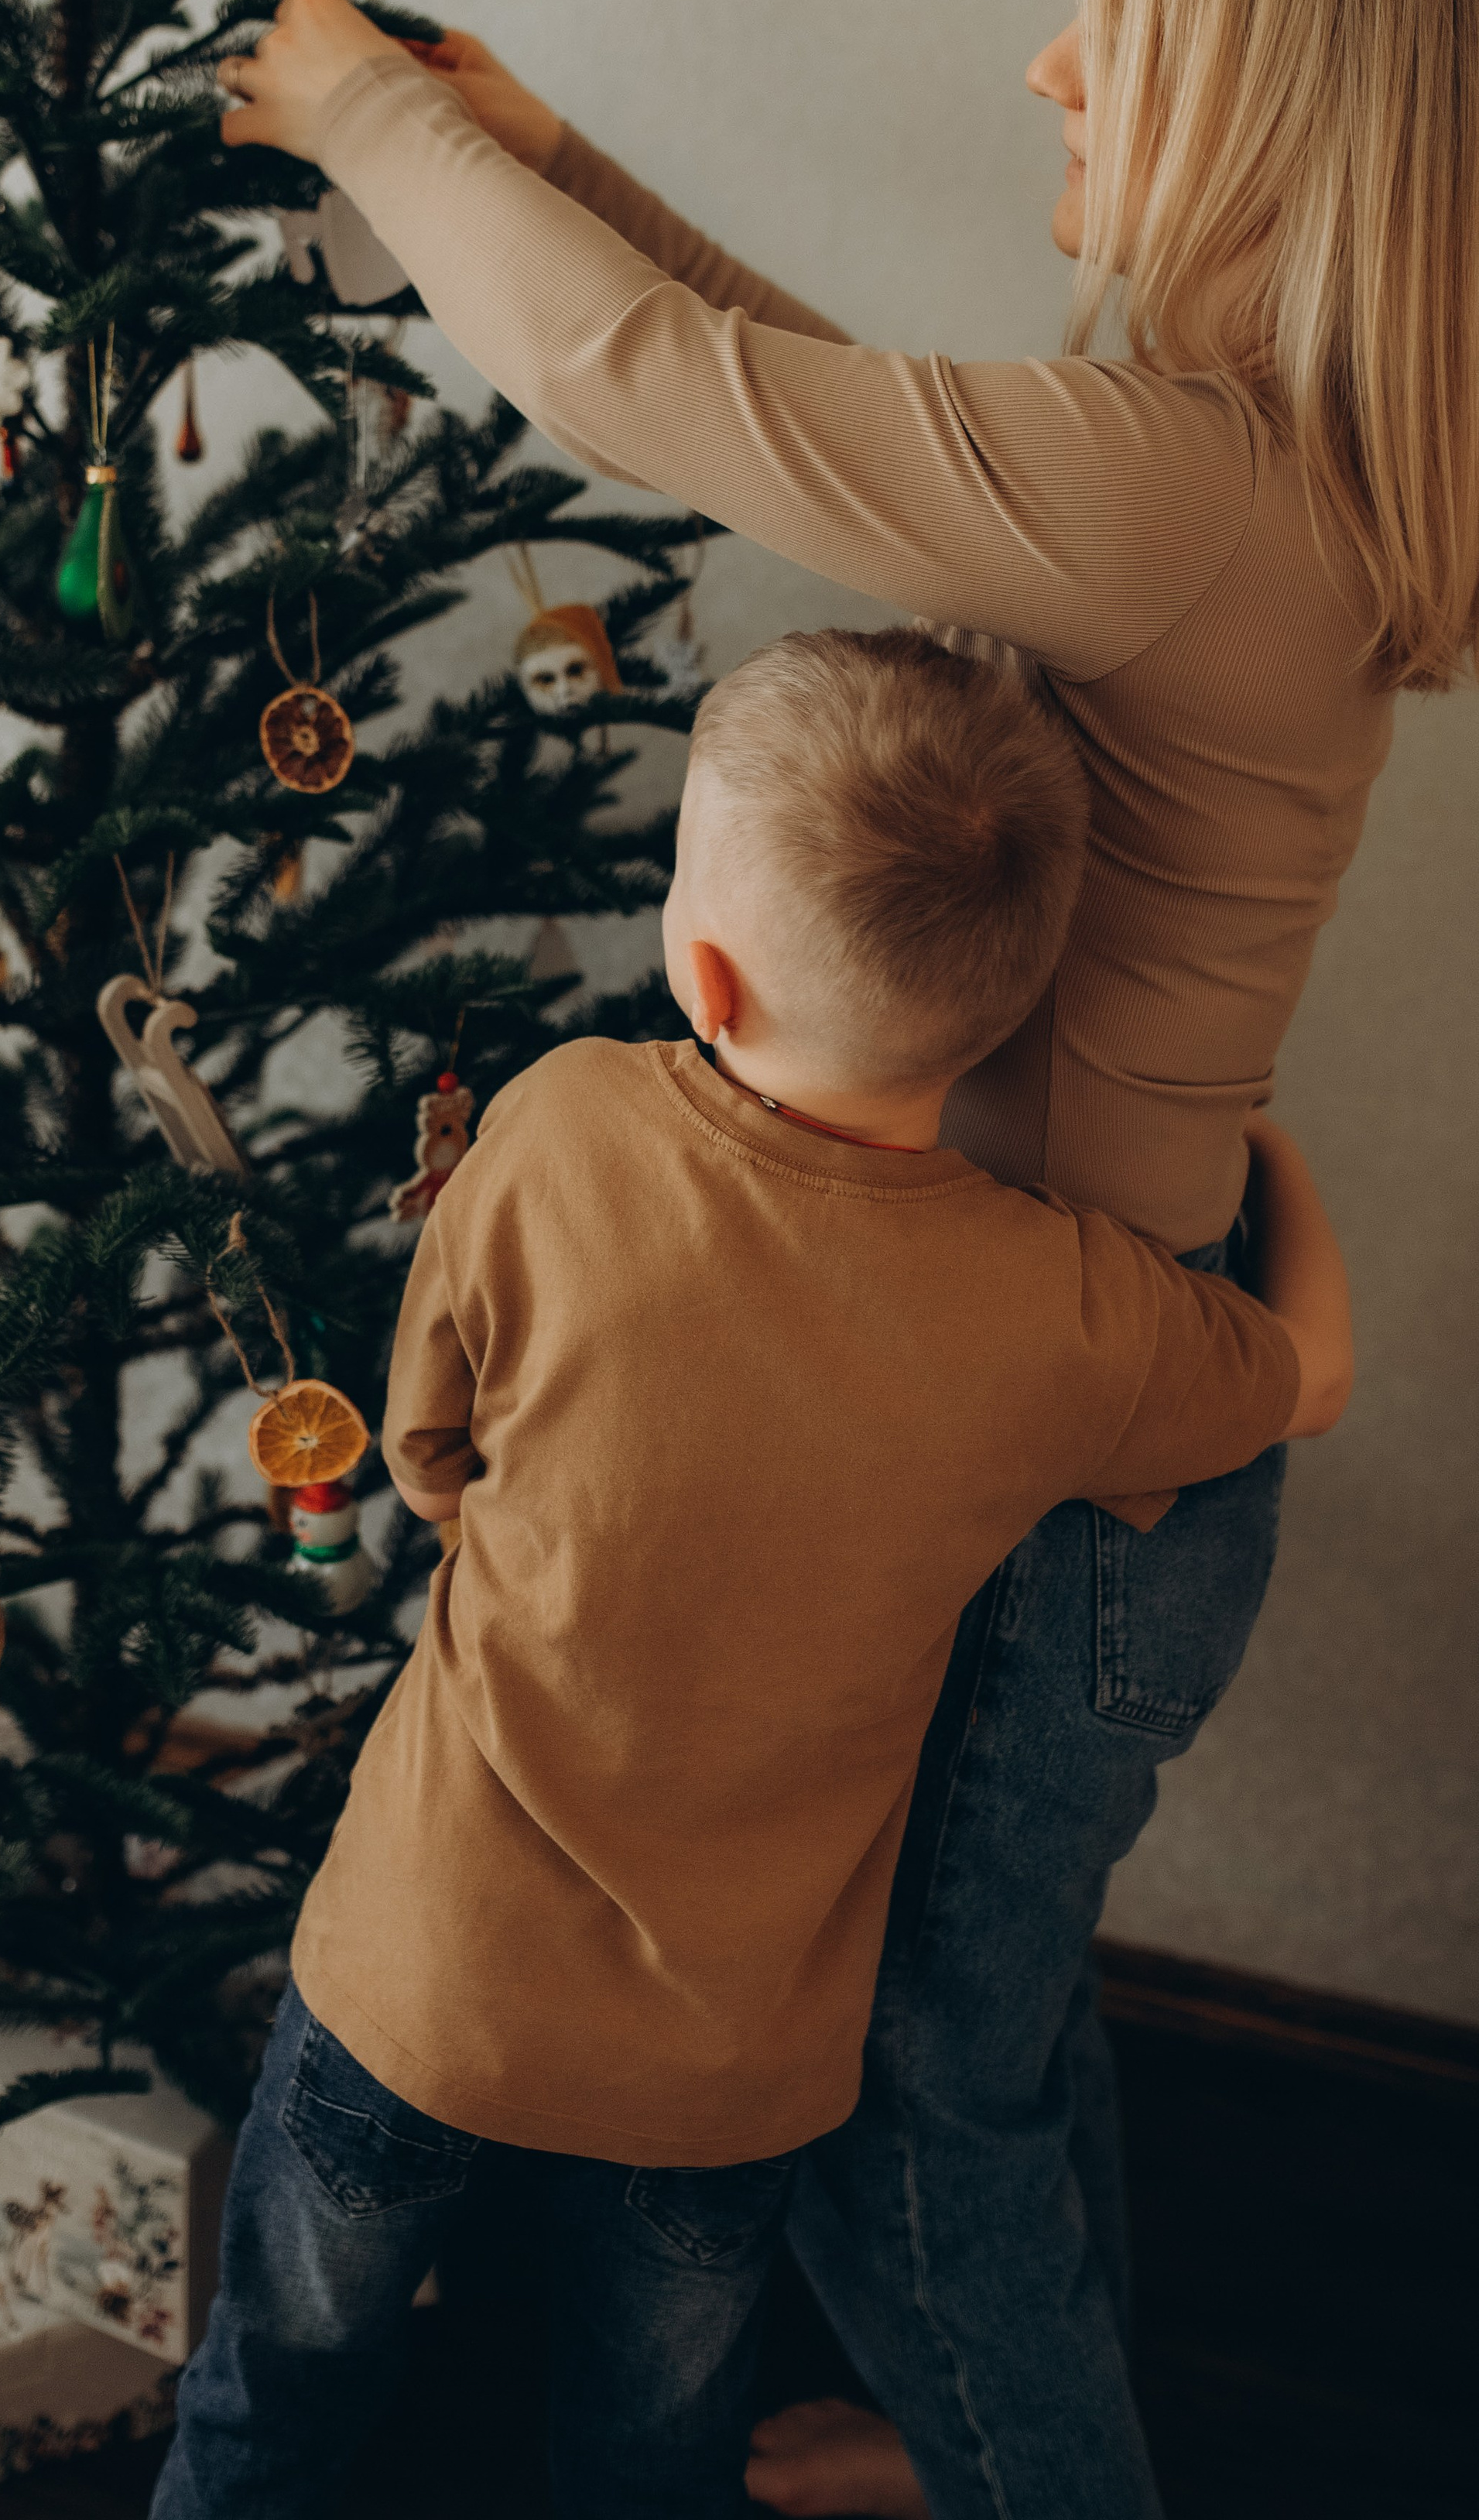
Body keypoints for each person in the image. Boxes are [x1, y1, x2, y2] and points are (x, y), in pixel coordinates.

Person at [214, 0, 1479, 2517]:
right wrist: (577, 167)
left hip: (1054, 1469)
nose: (1045, 71)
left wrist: (365, 111)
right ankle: (1005, 2406)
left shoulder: (1184, 489)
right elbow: (812, 408)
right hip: (1073, 1403)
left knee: (924, 2140)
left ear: (1262, 101)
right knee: (994, 2050)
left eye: (1107, 35)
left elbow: (650, 397)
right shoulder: (1236, 467)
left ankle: (1032, 2453)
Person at [151, 629, 1349, 2520]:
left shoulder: (555, 1128)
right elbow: (1302, 1380)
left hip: (420, 1977)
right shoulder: (1057, 1312)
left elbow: (425, 1446)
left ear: (697, 967)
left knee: (278, 2388)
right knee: (646, 2453)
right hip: (721, 2074)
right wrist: (1253, 1141)